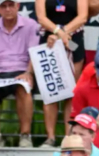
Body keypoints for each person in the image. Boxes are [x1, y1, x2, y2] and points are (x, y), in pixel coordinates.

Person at [0, 0, 39, 148]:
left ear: (18, 6)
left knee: (24, 87)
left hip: (22, 70)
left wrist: (28, 72)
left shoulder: (31, 25)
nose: (8, 9)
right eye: (3, 6)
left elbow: (34, 53)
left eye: (11, 5)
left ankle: (25, 135)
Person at [34, 0, 87, 147]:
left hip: (73, 41)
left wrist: (63, 33)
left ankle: (68, 137)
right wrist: (58, 33)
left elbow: (83, 16)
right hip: (49, 42)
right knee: (50, 92)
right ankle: (50, 137)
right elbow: (41, 18)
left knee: (72, 92)